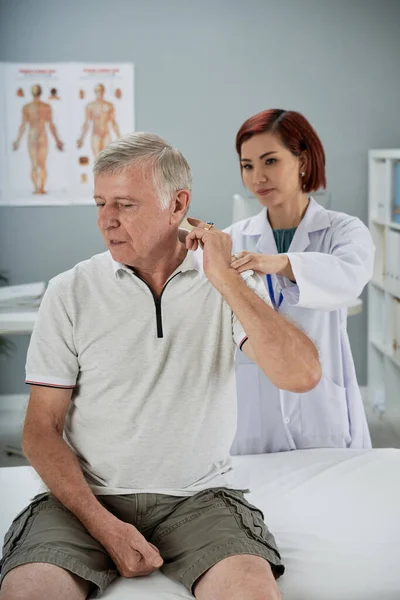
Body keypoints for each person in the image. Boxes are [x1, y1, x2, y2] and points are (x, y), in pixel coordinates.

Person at [0, 133, 321, 600]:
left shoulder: (229, 282)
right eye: (99, 203)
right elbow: (40, 430)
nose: (106, 220)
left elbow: (302, 375)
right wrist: (106, 528)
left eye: (125, 204)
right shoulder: (70, 290)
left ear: (178, 206)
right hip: (86, 503)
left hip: (200, 500)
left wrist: (225, 279)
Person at [225, 109, 374, 455]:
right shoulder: (234, 239)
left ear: (302, 161)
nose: (258, 177)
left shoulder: (343, 230)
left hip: (321, 406)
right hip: (254, 407)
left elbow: (349, 278)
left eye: (270, 161)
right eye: (247, 166)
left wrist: (281, 262)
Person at [12, 84, 64, 194]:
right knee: (40, 164)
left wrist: (57, 140)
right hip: (40, 136)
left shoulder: (29, 107)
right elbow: (50, 125)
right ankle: (39, 188)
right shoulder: (43, 107)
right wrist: (57, 141)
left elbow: (24, 125)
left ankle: (39, 187)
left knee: (37, 164)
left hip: (34, 136)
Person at [77, 83, 121, 157]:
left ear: (103, 91)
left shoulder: (109, 105)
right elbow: (86, 123)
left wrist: (119, 137)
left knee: (106, 159)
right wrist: (81, 138)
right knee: (97, 159)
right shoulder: (90, 106)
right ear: (95, 92)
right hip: (95, 135)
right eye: (97, 90)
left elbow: (113, 122)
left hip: (106, 134)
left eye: (101, 90)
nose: (99, 92)